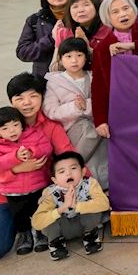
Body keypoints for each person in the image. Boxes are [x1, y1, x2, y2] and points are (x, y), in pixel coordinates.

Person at [0, 106, 54, 255]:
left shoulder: (34, 134)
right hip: (12, 191)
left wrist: (33, 151)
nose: (12, 131)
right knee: (19, 214)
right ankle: (24, 234)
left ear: (22, 124)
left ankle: (40, 232)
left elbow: (47, 147)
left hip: (38, 186)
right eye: (5, 128)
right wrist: (15, 158)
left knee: (39, 210)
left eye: (15, 125)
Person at [42, 37, 106, 186]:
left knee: (102, 159)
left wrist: (87, 105)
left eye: (79, 55)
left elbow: (104, 101)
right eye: (68, 56)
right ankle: (73, 173)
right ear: (60, 59)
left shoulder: (94, 76)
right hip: (72, 130)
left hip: (97, 126)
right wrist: (76, 107)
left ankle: (101, 187)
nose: (74, 60)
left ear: (86, 57)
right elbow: (51, 110)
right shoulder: (54, 82)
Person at [90, 0, 138, 140]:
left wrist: (133, 45)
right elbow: (98, 86)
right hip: (123, 106)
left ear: (134, 10)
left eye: (126, 8)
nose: (123, 14)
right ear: (108, 18)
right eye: (115, 12)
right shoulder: (102, 48)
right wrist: (100, 120)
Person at [30, 151, 109, 260]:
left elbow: (104, 204)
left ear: (83, 171)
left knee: (94, 207)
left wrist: (76, 205)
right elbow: (36, 222)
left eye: (73, 168)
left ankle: (90, 236)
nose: (68, 174)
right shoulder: (50, 193)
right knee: (46, 219)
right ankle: (56, 242)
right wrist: (62, 208)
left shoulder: (90, 184)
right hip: (63, 230)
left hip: (84, 225)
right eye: (62, 171)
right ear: (55, 180)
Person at [18, 0, 73, 76]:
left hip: (78, 76)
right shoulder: (35, 20)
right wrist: (51, 39)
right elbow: (23, 52)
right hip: (44, 78)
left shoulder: (79, 16)